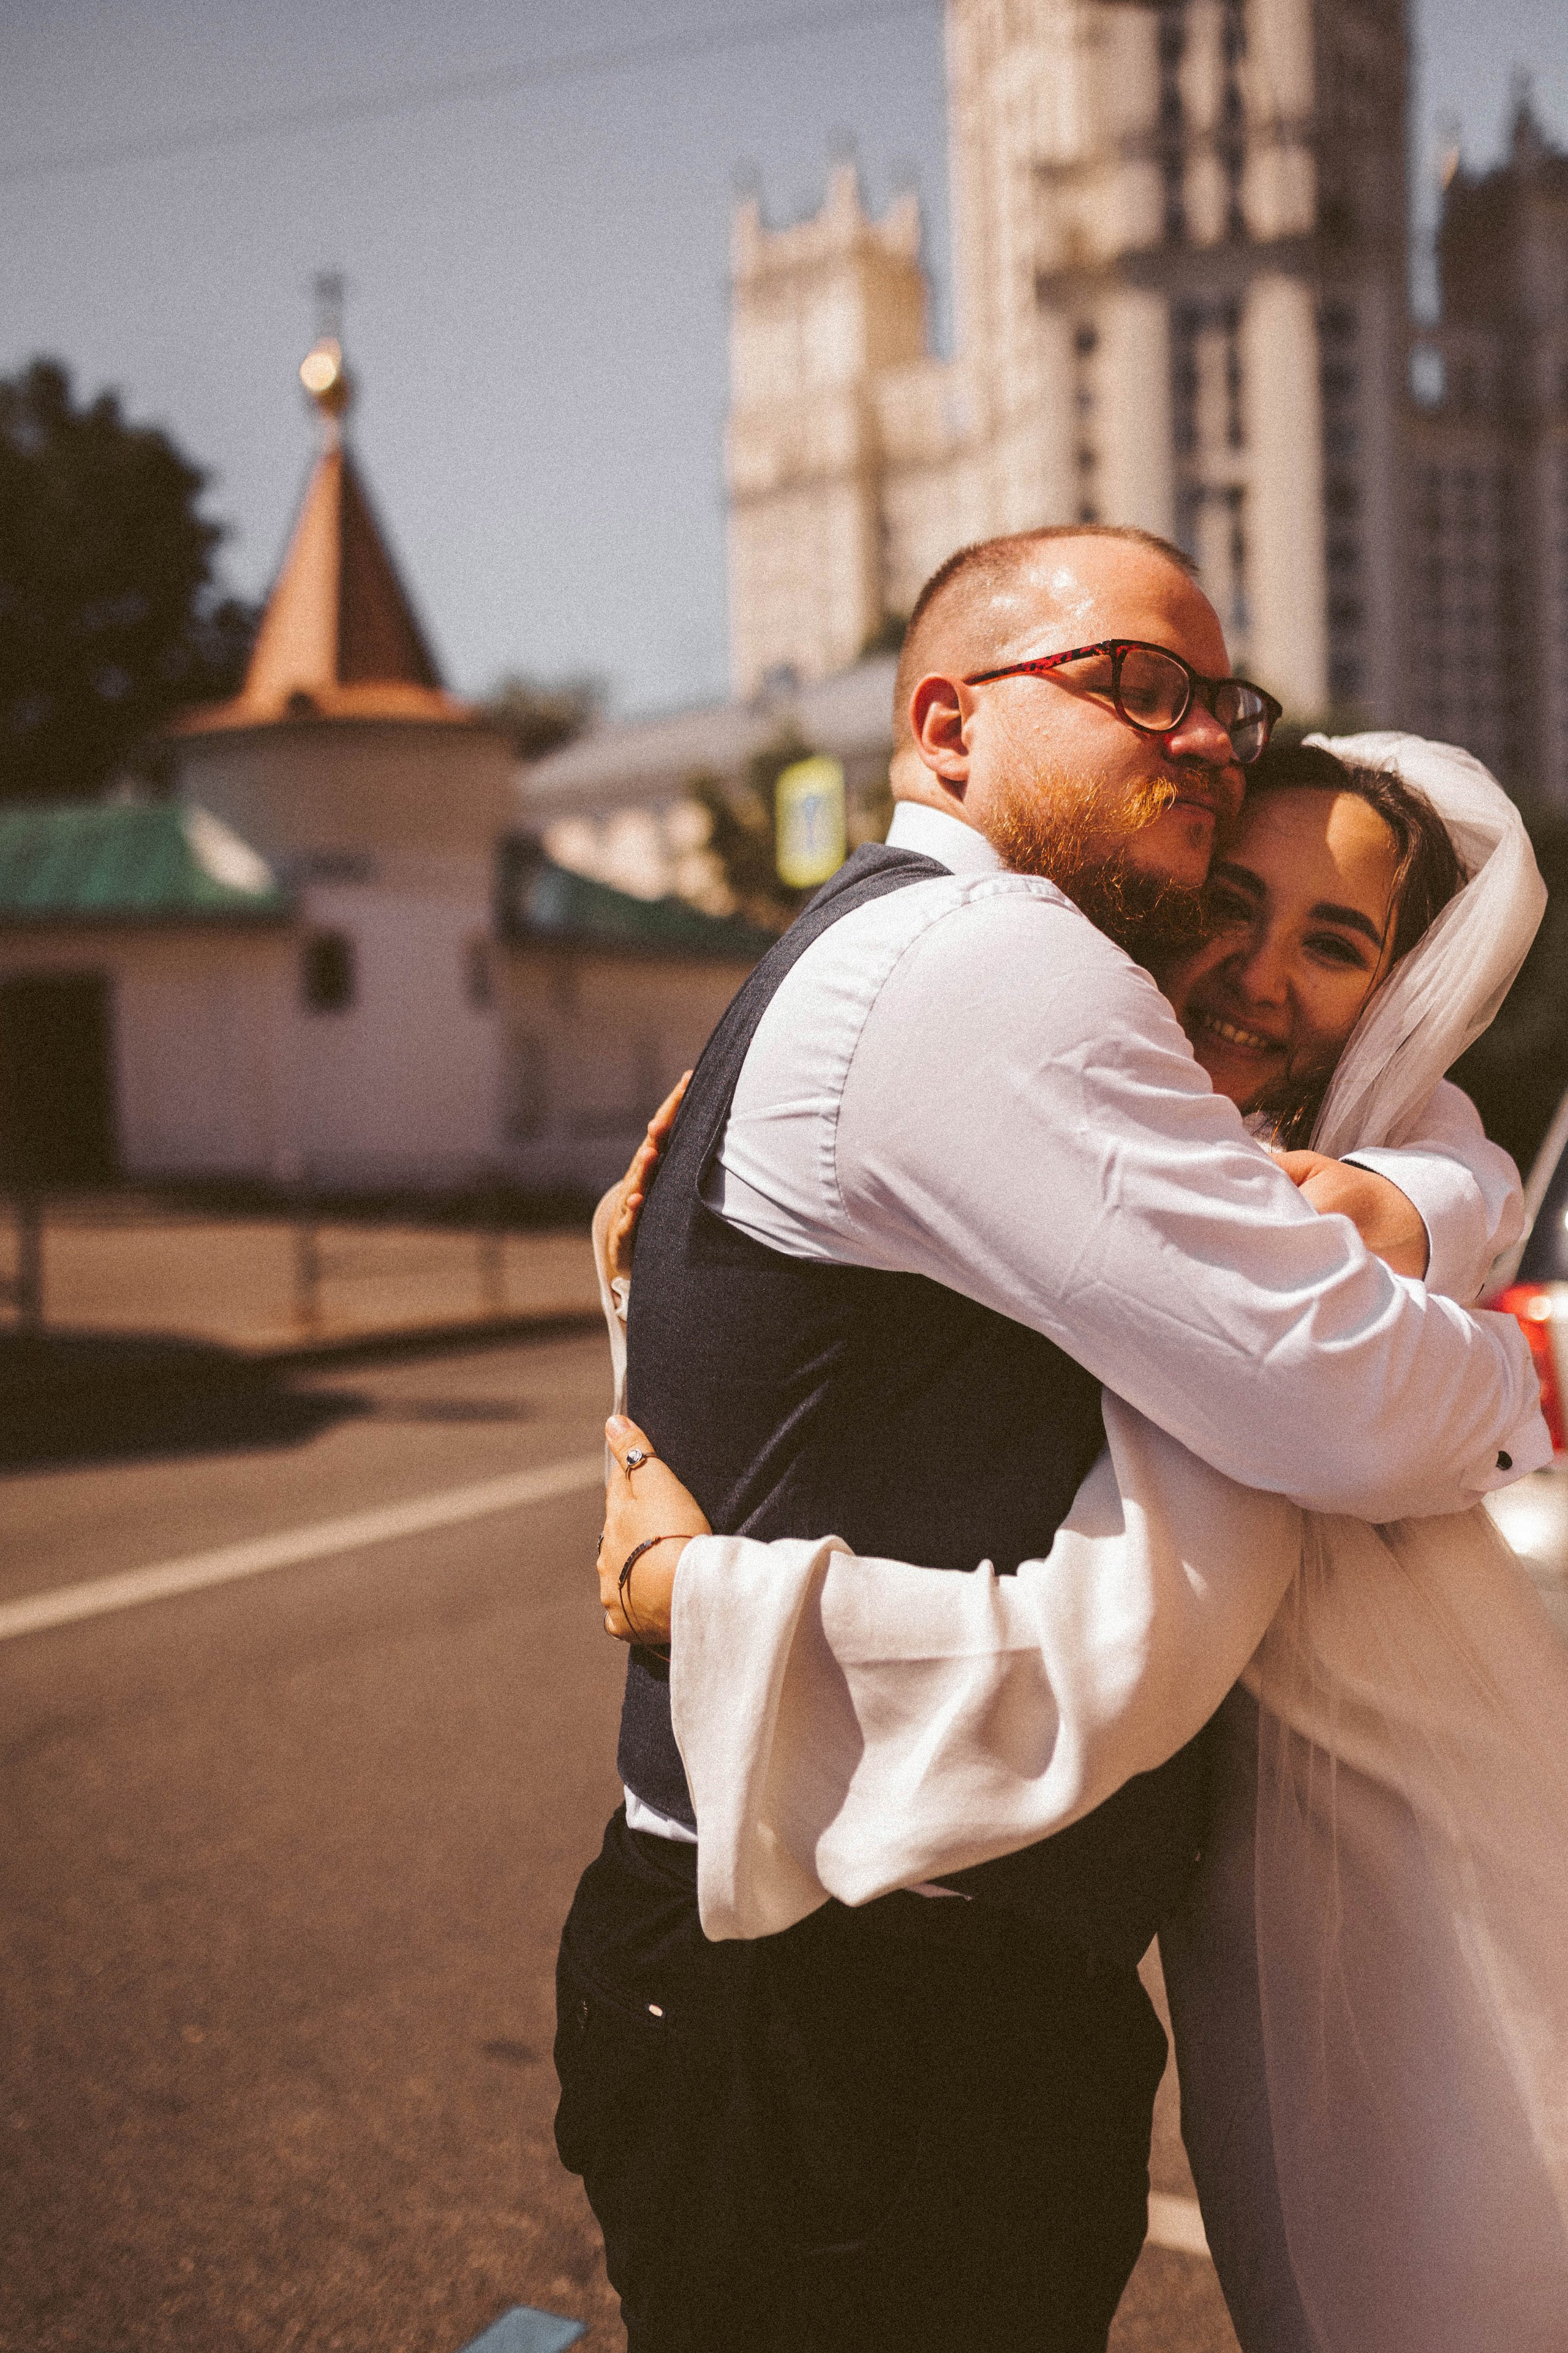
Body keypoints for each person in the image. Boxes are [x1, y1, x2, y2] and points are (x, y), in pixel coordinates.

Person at [552, 524, 1547, 2353]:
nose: (1198, 742)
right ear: (944, 724)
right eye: (1133, 688)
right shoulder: (995, 971)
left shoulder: (964, 982)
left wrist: (1421, 1205)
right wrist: (1518, 1375)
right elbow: (1320, 1421)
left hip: (939, 1991)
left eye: (1220, 706)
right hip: (853, 1997)